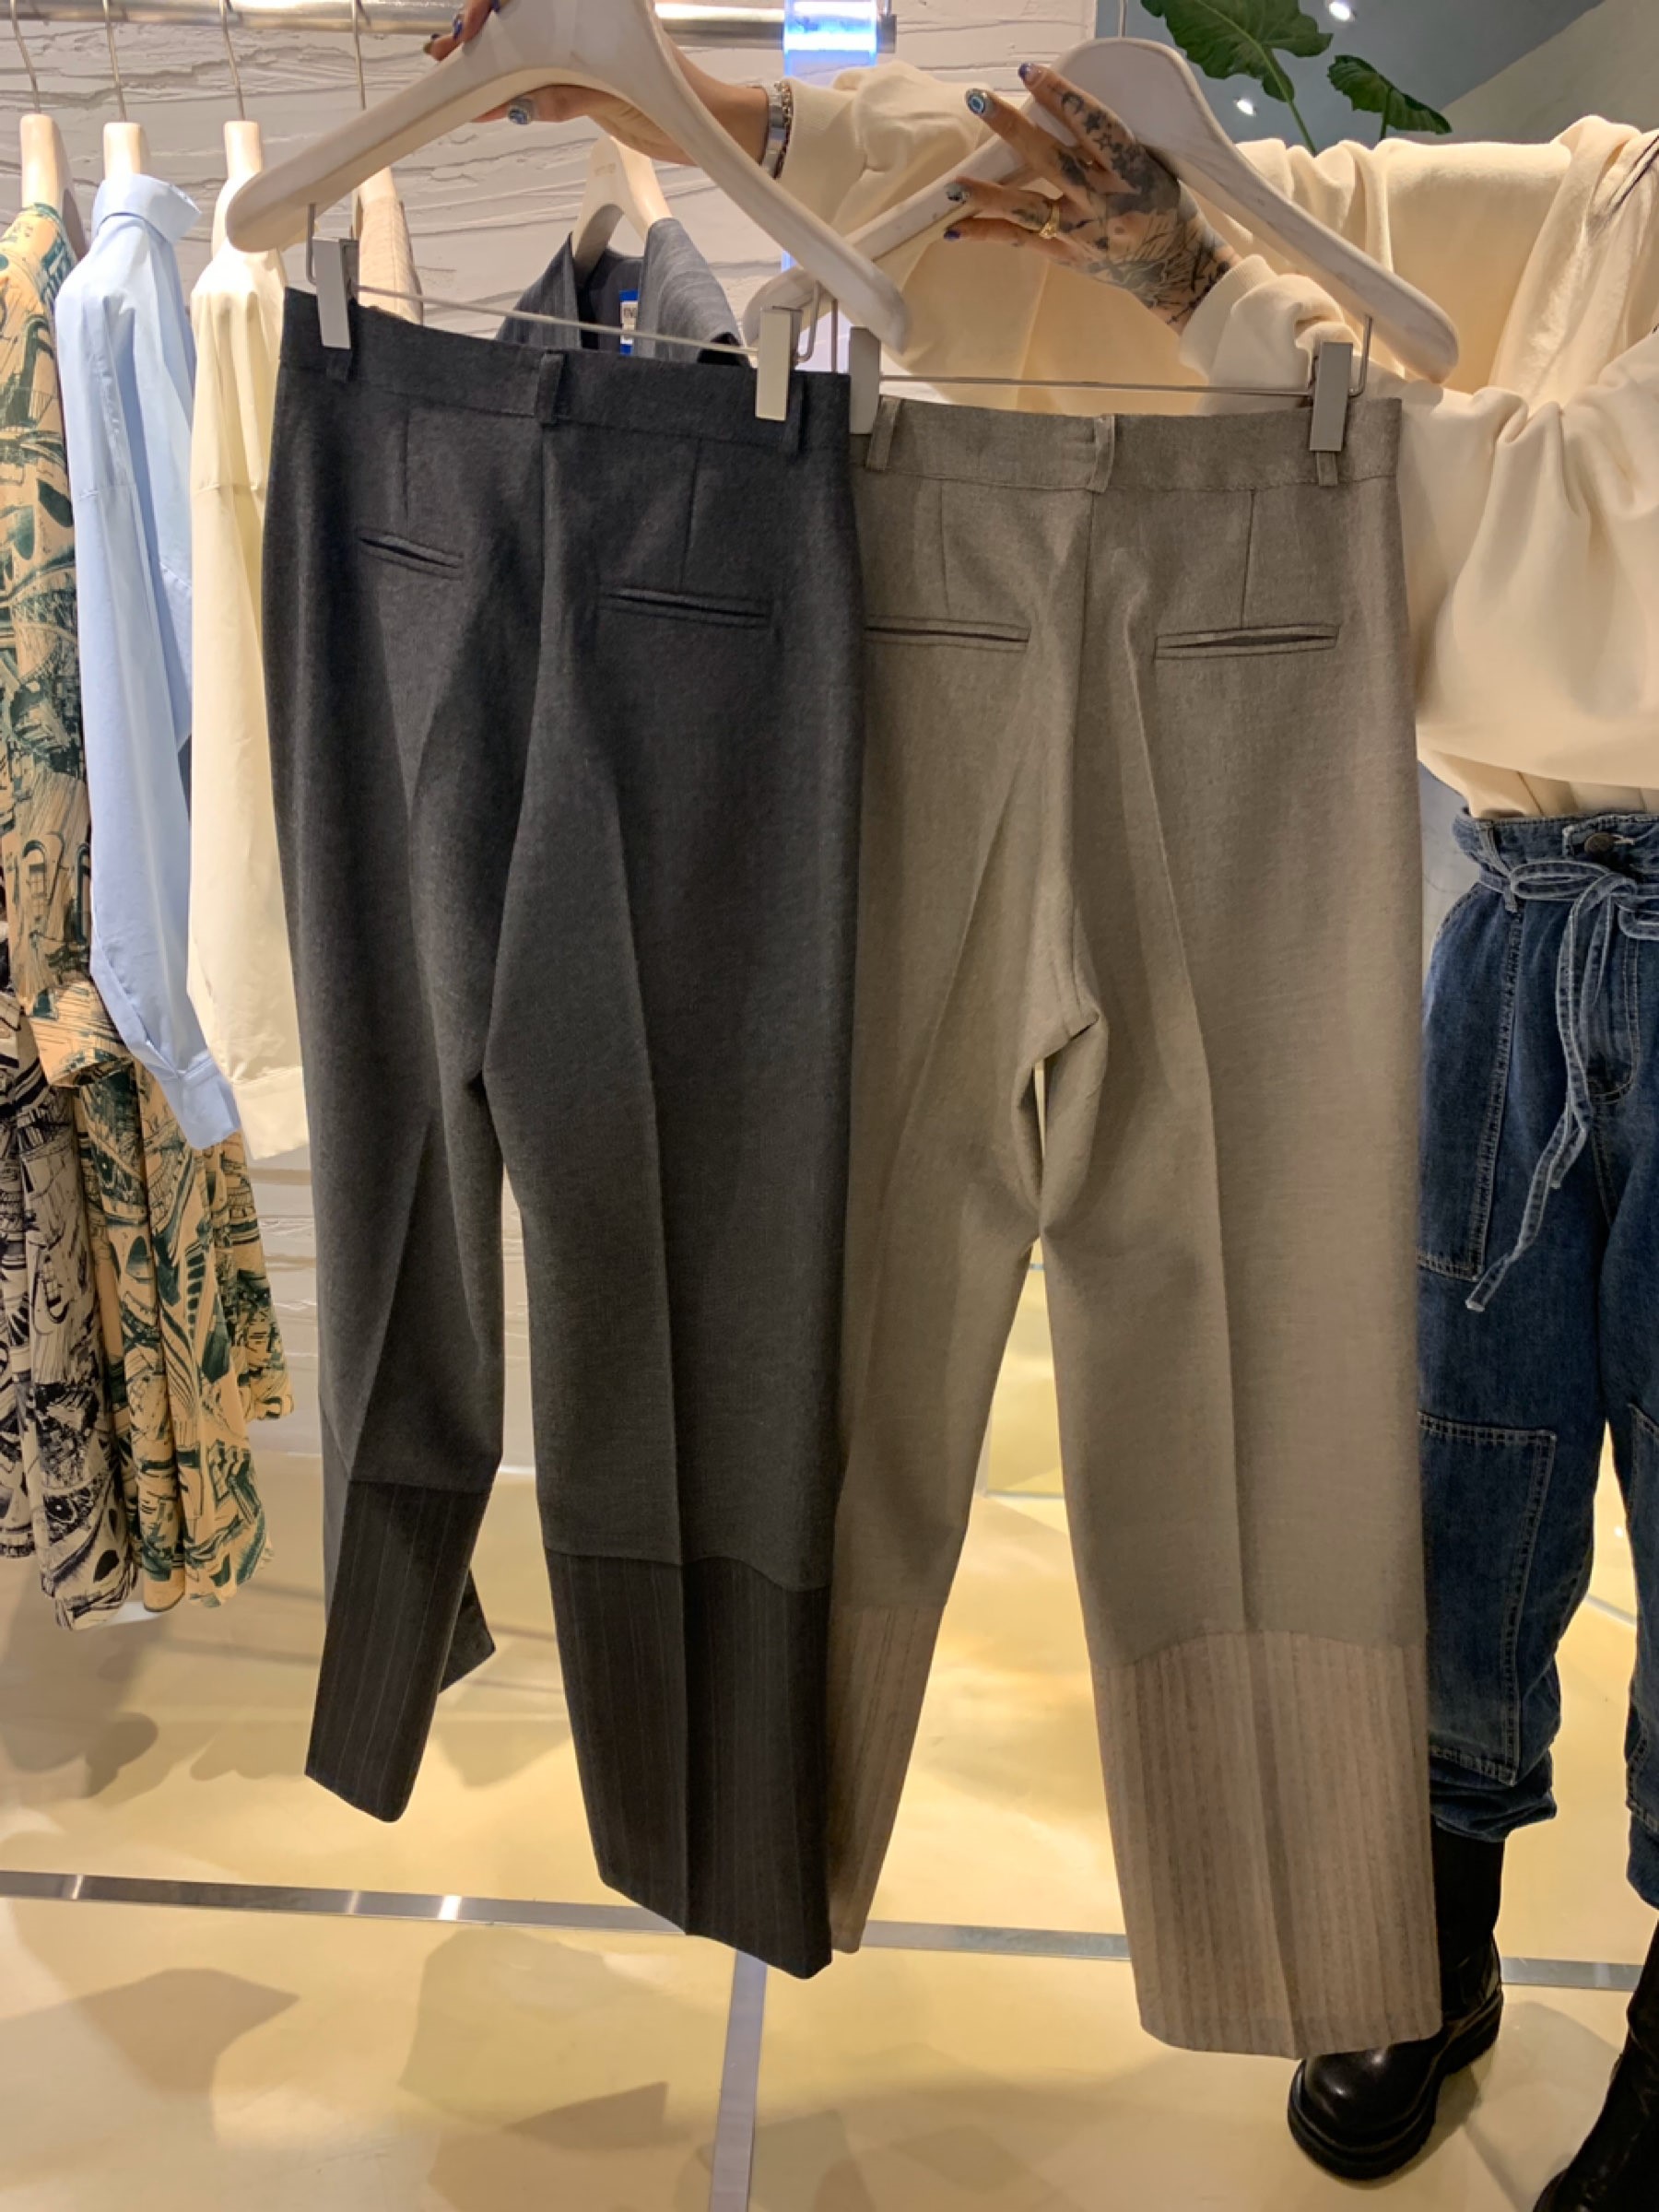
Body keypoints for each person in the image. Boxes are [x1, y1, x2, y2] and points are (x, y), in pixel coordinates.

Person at [428, 21, 1659, 2205]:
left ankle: (1439, 1945)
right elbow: (1277, 207)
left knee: (1272, 1383)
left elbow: (1571, 563)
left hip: (1504, 844)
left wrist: (1203, 293)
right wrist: (708, 100)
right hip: (1520, 916)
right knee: (1430, 1475)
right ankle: (1400, 1932)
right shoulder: (1610, 193)